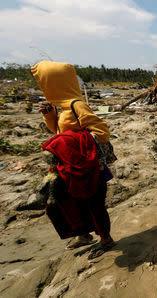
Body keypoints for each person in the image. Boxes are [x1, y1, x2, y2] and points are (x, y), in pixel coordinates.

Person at [31, 60, 114, 259]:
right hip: (70, 165)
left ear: (55, 83)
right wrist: (50, 116)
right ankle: (83, 234)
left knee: (94, 204)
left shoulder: (77, 105)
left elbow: (102, 133)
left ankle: (106, 240)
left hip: (89, 167)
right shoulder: (61, 106)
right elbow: (57, 131)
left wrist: (68, 141)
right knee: (68, 201)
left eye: (45, 83)